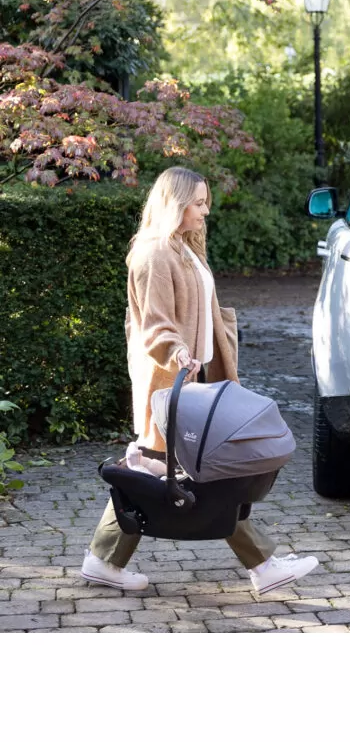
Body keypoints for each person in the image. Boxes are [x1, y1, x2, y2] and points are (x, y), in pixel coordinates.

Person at [80, 166, 318, 595]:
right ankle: (261, 565)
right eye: (199, 203)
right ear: (175, 204)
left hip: (196, 377)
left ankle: (104, 561)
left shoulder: (183, 248)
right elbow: (154, 322)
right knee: (186, 469)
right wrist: (176, 351)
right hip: (171, 381)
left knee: (178, 468)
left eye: (206, 202)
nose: (206, 211)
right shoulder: (154, 254)